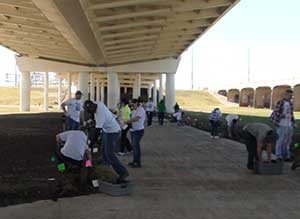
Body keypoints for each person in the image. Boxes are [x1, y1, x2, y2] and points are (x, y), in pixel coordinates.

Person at [83, 100, 129, 182]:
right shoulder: (97, 103)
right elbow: (94, 121)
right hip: (107, 130)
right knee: (103, 149)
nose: (91, 113)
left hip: (113, 132)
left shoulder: (100, 114)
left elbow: (97, 131)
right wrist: (91, 121)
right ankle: (105, 165)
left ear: (93, 107)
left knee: (109, 154)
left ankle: (123, 172)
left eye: (91, 111)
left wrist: (91, 144)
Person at [271, 89, 295, 161]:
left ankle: (286, 155)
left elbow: (291, 114)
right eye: (289, 95)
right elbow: (276, 113)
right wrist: (278, 121)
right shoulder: (280, 103)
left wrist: (293, 123)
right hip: (281, 125)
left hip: (289, 125)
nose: (290, 97)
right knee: (280, 140)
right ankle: (278, 156)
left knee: (288, 141)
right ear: (285, 95)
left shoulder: (290, 103)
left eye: (291, 95)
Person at [125, 99, 146, 168]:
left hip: (138, 130)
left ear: (136, 103)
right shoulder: (133, 110)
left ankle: (138, 162)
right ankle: (135, 161)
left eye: (132, 104)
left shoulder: (141, 110)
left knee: (136, 146)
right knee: (134, 146)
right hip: (133, 130)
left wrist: (127, 121)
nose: (131, 105)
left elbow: (136, 119)